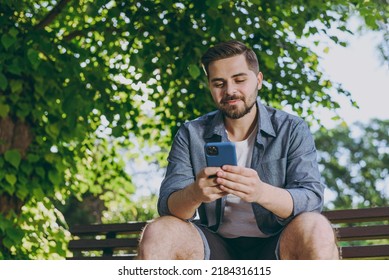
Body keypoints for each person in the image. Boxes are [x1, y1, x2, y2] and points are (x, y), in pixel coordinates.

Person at [137, 40, 339, 260]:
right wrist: (195, 193)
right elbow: (168, 206)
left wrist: (261, 192)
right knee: (160, 231)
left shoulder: (291, 129)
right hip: (212, 246)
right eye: (218, 83)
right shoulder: (191, 133)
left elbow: (311, 198)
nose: (230, 90)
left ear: (258, 80)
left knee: (316, 227)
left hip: (277, 242)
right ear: (210, 86)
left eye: (239, 80)